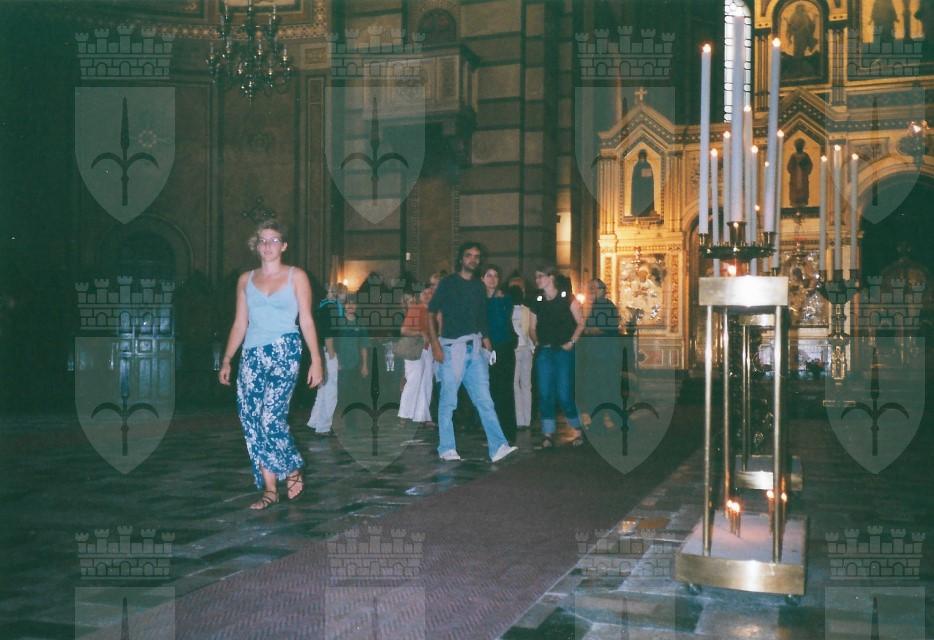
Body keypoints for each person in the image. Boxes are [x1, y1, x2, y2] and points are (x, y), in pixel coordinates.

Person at [218, 220, 323, 510]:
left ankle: (292, 467)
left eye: (274, 240)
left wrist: (316, 359)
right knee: (251, 420)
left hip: (284, 350)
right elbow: (240, 323)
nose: (267, 246)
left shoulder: (296, 276)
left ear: (284, 245)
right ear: (256, 245)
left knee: (270, 418)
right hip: (252, 354)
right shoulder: (245, 279)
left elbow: (307, 320)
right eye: (262, 240)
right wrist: (227, 359)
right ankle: (269, 489)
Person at [427, 242, 518, 463]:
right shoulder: (448, 283)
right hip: (452, 348)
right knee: (448, 401)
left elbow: (480, 318)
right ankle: (446, 447)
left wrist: (487, 344)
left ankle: (498, 446)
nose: (473, 260)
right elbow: (430, 313)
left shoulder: (478, 286)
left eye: (477, 256)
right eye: (469, 255)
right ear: (461, 258)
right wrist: (435, 345)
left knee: (485, 400)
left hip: (475, 348)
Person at [530, 266, 585, 448]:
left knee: (564, 393)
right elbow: (532, 327)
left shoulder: (567, 298)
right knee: (545, 393)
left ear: (551, 277)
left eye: (540, 276)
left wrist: (571, 342)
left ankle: (578, 429)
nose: (537, 280)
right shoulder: (537, 301)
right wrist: (537, 341)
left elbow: (581, 323)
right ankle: (548, 433)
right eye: (536, 277)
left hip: (563, 351)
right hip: (545, 351)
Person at [482, 264, 517, 443]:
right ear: (482, 278)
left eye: (495, 276)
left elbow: (502, 321)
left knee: (504, 390)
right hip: (484, 348)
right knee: (487, 391)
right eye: (489, 275)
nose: (492, 279)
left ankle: (507, 432)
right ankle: (491, 432)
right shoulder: (478, 299)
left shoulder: (505, 299)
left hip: (503, 347)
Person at [307, 282, 348, 435]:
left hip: (322, 351)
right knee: (330, 391)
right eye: (344, 293)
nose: (346, 297)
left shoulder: (324, 306)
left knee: (323, 390)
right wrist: (333, 355)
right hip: (329, 352)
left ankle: (314, 422)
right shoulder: (333, 309)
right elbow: (329, 333)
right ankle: (323, 427)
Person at [398, 285, 434, 424]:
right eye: (424, 293)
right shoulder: (416, 309)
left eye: (429, 293)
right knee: (413, 382)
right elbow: (404, 330)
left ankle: (422, 416)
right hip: (415, 350)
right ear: (419, 296)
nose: (427, 295)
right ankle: (404, 415)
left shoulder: (433, 311)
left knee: (426, 384)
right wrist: (420, 333)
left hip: (427, 350)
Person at [509, 284, 534, 430]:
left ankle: (519, 419)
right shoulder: (526, 310)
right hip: (527, 348)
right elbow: (530, 330)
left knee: (515, 384)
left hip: (515, 349)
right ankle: (527, 419)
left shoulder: (508, 310)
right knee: (526, 385)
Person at [787, 138, 813, 208]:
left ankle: (803, 202)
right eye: (797, 145)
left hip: (803, 177)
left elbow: (809, 165)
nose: (799, 147)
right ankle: (794, 202)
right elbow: (789, 167)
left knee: (803, 189)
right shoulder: (793, 156)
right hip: (795, 177)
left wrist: (803, 166)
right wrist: (795, 166)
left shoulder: (805, 155)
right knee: (794, 189)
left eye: (800, 145)